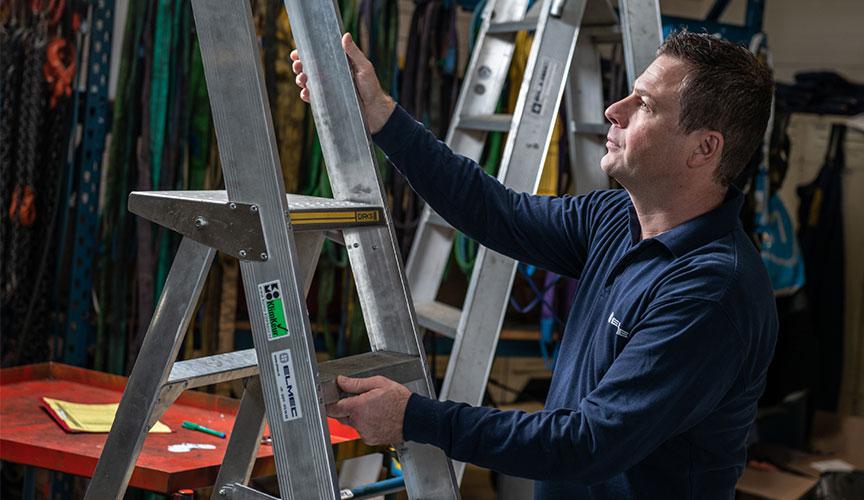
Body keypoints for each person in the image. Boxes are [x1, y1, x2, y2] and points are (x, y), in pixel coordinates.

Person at [291, 30, 778, 499]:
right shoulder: (616, 219)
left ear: (704, 148)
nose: (615, 110)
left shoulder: (711, 290)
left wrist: (414, 417)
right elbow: (495, 212)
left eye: (645, 104)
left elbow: (588, 443)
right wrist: (379, 114)